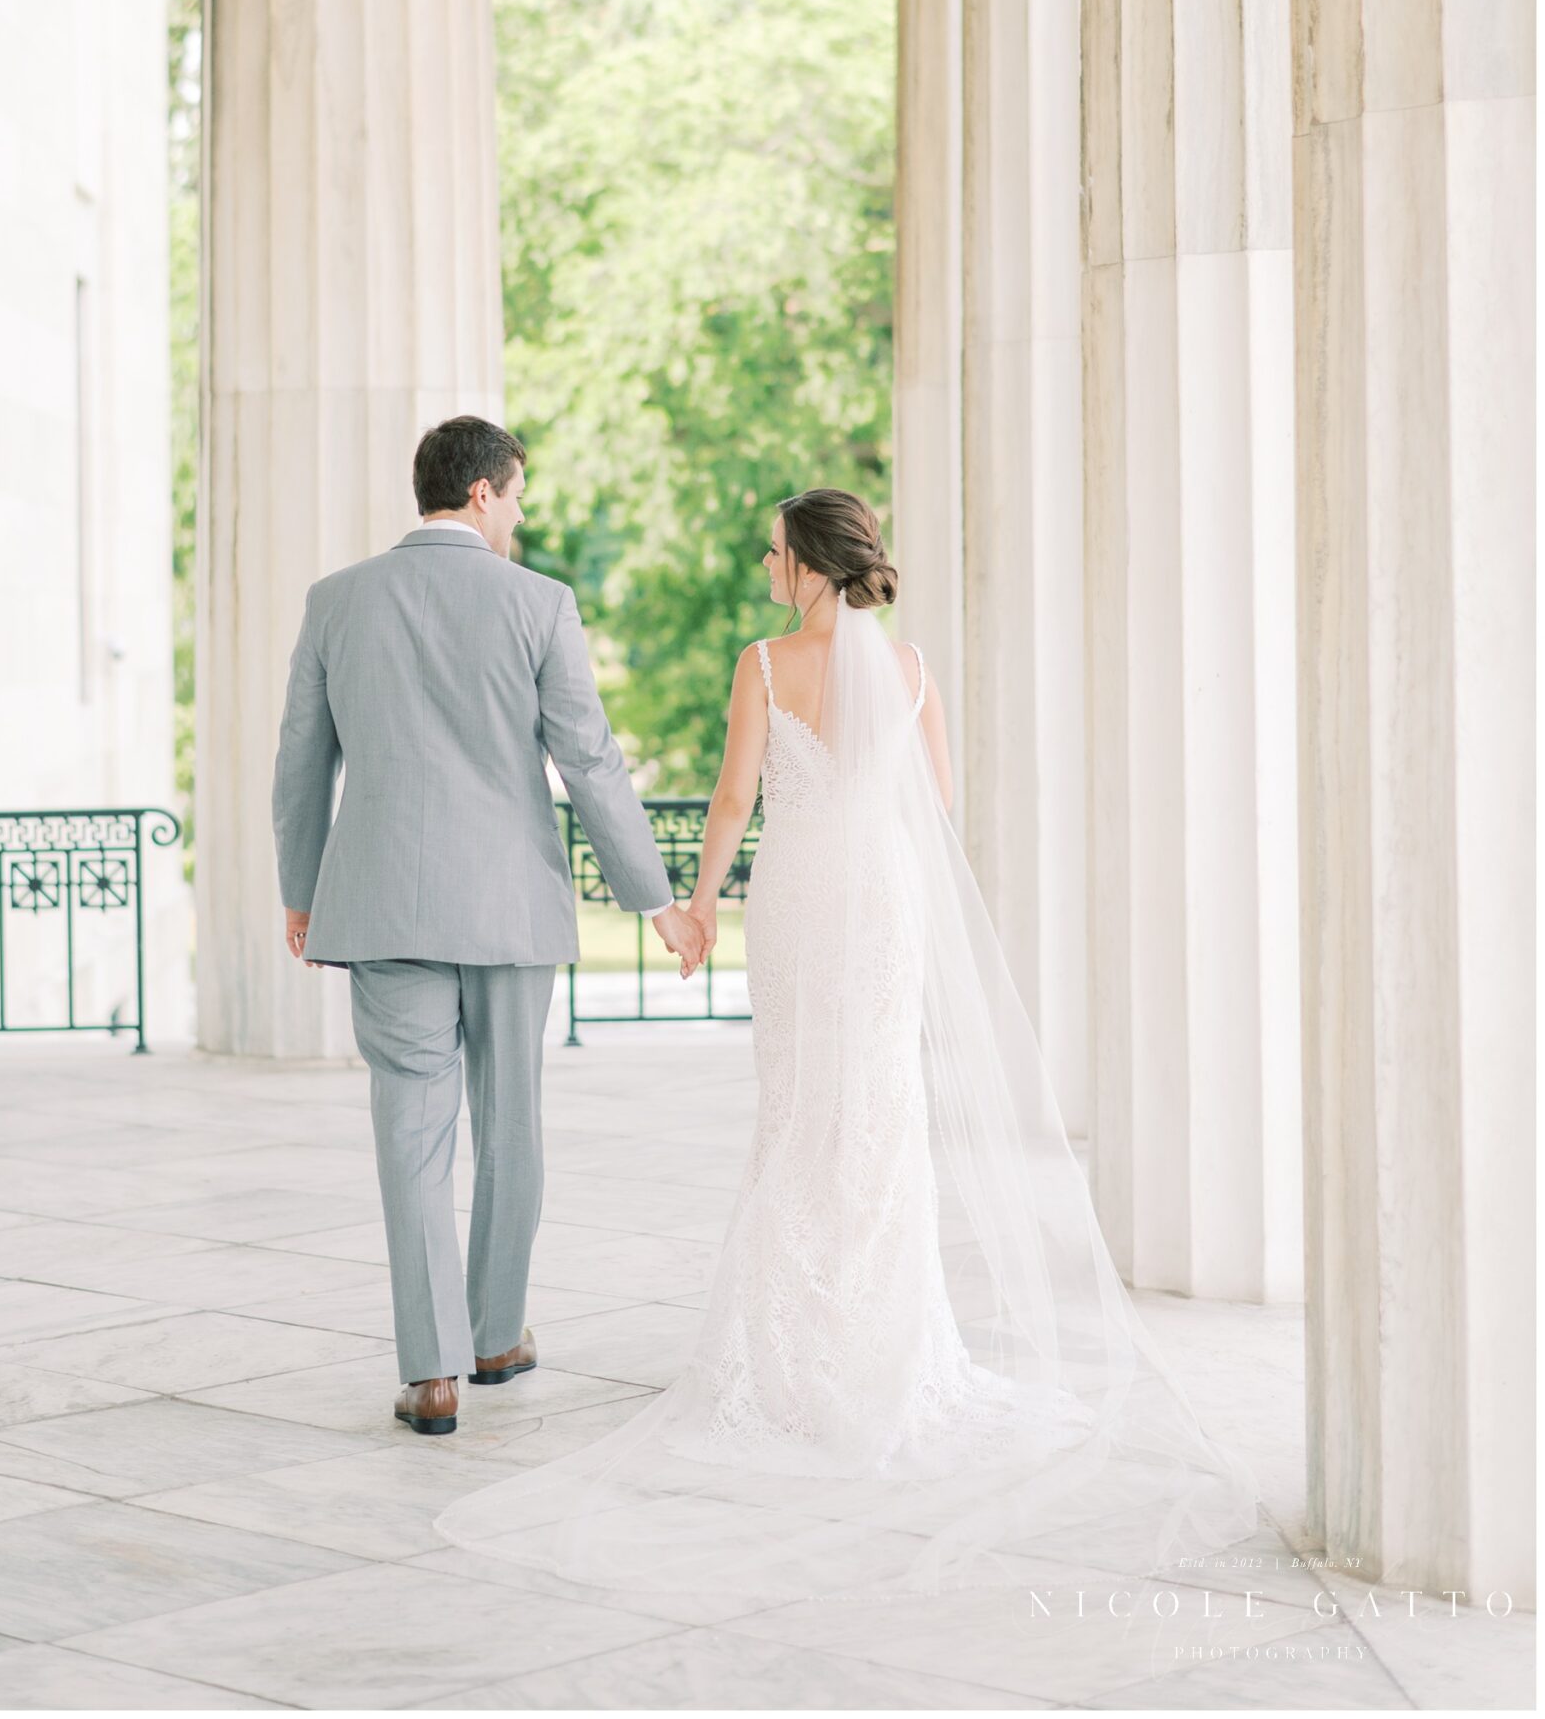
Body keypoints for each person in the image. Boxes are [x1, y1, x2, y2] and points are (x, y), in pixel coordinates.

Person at [432, 487, 1262, 1619]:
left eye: (773, 550)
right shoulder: (909, 667)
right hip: (881, 901)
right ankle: (887, 1350)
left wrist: (697, 909)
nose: (764, 564)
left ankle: (790, 1356)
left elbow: (731, 799)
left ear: (811, 564)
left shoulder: (763, 666)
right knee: (877, 1114)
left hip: (798, 901)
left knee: (797, 1109)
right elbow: (937, 802)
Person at [270, 414, 707, 1440]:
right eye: (515, 494)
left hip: (380, 907)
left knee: (410, 1141)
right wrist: (655, 899)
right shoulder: (539, 603)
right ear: (481, 492)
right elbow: (589, 759)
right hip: (509, 908)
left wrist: (301, 889)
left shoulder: (336, 601)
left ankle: (430, 1373)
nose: (517, 513)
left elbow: (299, 762)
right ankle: (496, 1334)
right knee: (509, 1127)